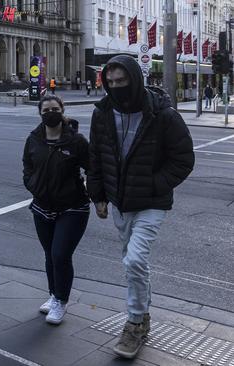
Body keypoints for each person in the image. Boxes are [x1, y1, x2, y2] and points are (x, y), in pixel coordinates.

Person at [87, 55, 194, 359]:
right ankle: (143, 317)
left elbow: (184, 159)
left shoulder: (163, 115)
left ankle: (134, 322)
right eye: (111, 82)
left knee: (134, 260)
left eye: (122, 81)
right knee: (135, 264)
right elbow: (96, 156)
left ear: (135, 79)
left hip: (151, 203)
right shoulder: (103, 113)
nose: (116, 87)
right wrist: (98, 196)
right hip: (120, 201)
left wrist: (154, 185)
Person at [22, 95, 88, 325]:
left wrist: (97, 197)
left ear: (62, 110)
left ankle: (61, 300)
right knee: (50, 255)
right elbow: (27, 166)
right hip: (42, 206)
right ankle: (53, 294)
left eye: (54, 109)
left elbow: (92, 168)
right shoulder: (33, 139)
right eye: (46, 109)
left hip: (73, 207)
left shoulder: (76, 141)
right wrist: (32, 185)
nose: (50, 113)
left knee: (60, 254)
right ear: (40, 113)